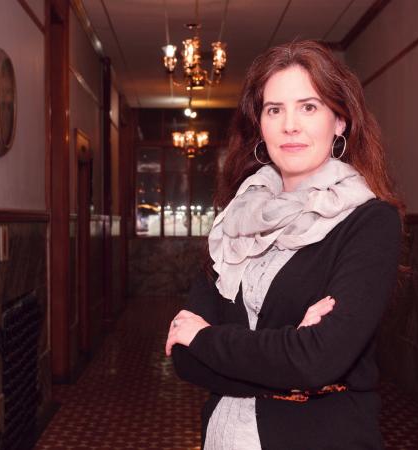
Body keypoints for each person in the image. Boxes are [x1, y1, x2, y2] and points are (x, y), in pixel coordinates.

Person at [164, 40, 404, 450]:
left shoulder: (369, 221)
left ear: (340, 121)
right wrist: (287, 348)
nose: (290, 125)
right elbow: (184, 359)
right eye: (275, 109)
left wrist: (207, 338)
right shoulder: (234, 219)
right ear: (260, 124)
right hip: (225, 437)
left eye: (308, 107)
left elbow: (318, 359)